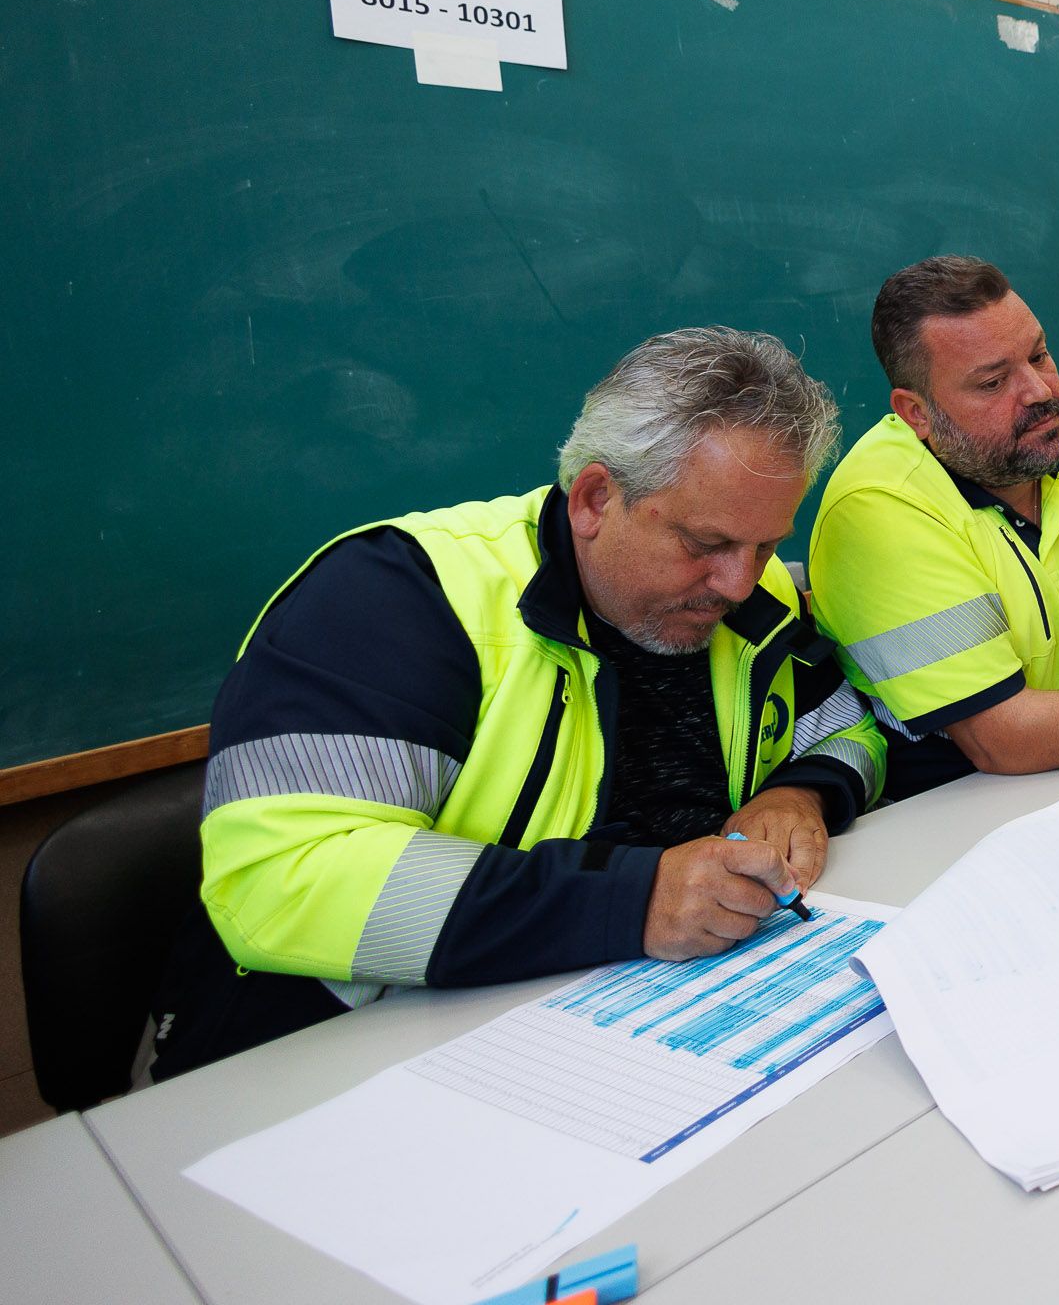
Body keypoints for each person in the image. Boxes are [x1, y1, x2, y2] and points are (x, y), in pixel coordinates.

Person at [154, 329, 887, 1077]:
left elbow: (847, 729)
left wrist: (803, 792)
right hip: (334, 1061)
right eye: (706, 543)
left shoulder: (751, 599)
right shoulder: (393, 601)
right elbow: (284, 876)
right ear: (597, 498)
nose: (738, 583)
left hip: (640, 1024)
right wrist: (632, 902)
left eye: (765, 546)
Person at [809, 256, 1059, 780]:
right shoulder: (877, 506)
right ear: (917, 413)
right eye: (993, 383)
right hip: (960, 803)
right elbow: (1004, 739)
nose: (1041, 392)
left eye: (1040, 356)